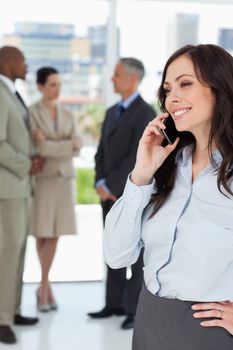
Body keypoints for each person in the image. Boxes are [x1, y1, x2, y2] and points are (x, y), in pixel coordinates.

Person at [104, 43, 233, 349]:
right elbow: (117, 254)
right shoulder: (167, 167)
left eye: (185, 84)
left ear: (220, 88)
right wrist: (141, 174)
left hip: (209, 332)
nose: (173, 97)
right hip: (150, 322)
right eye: (167, 88)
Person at [88, 57, 155, 329]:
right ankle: (113, 303)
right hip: (109, 194)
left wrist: (115, 187)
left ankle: (132, 310)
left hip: (130, 194)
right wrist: (99, 181)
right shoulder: (111, 111)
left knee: (135, 255)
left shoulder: (145, 113)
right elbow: (100, 152)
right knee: (112, 247)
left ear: (132, 78)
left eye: (116, 75)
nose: (112, 79)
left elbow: (137, 157)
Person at [29, 67, 82, 312]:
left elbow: (77, 146)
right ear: (40, 86)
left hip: (64, 180)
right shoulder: (31, 113)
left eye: (59, 84)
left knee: (56, 233)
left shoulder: (67, 113)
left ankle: (43, 286)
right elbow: (40, 148)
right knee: (43, 233)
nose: (57, 89)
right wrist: (64, 145)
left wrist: (52, 145)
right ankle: (44, 286)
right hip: (43, 180)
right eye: (52, 84)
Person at [0, 46, 42, 345]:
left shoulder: (12, 92)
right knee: (7, 253)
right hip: (8, 188)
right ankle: (1, 320)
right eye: (22, 61)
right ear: (7, 61)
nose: (26, 66)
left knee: (18, 252)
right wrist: (25, 163)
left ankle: (12, 310)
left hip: (21, 187)